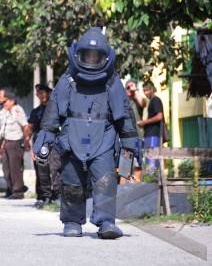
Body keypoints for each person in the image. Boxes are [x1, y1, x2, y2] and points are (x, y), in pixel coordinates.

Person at [33, 27, 138, 239]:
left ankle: (106, 222)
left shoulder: (112, 81)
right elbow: (52, 115)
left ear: (104, 56)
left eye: (95, 56)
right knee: (72, 183)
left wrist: (129, 147)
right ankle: (72, 222)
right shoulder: (68, 80)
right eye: (87, 55)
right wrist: (44, 142)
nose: (91, 59)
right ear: (78, 54)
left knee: (106, 181)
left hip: (104, 140)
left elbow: (125, 116)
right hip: (71, 140)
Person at [0, 90, 31, 199]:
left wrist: (26, 139)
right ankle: (10, 189)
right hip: (6, 143)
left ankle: (18, 192)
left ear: (12, 101)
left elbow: (25, 126)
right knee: (6, 169)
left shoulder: (17, 110)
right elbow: (0, 130)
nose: (3, 103)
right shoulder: (4, 112)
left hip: (16, 142)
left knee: (15, 168)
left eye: (5, 101)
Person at [28, 84, 59, 209]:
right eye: (39, 93)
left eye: (44, 92)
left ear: (50, 93)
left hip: (55, 141)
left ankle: (57, 195)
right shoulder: (36, 111)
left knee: (56, 168)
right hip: (40, 142)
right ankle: (44, 196)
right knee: (42, 169)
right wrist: (29, 145)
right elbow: (30, 129)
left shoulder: (57, 109)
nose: (42, 95)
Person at [123, 79, 147, 182]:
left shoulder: (137, 101)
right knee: (124, 170)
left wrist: (135, 90)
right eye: (127, 87)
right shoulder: (122, 102)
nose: (129, 89)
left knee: (137, 168)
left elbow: (143, 103)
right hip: (126, 139)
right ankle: (121, 195)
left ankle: (136, 194)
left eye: (131, 87)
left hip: (138, 138)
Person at [137, 81, 164, 173]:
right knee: (149, 163)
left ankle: (152, 182)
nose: (145, 93)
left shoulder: (155, 100)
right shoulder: (151, 101)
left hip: (153, 135)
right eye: (144, 91)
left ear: (152, 89)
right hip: (150, 135)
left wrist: (144, 122)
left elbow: (160, 116)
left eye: (147, 90)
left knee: (152, 166)